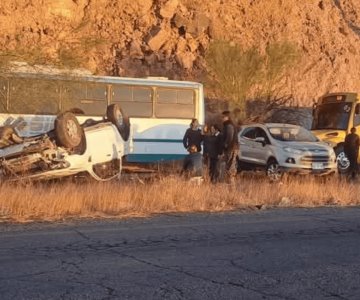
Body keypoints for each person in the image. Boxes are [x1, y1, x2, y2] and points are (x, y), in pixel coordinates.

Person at [221, 110, 239, 184]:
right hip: (232, 148)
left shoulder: (229, 126)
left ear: (227, 117)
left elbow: (229, 137)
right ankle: (230, 182)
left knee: (230, 165)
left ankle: (231, 183)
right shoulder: (228, 125)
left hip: (231, 148)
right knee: (229, 165)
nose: (221, 118)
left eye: (223, 117)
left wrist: (225, 144)